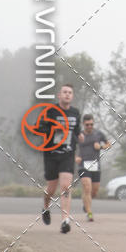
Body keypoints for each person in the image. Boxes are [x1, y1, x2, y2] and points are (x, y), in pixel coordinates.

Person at [41, 84, 82, 234]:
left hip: (67, 154)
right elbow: (40, 128)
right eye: (65, 92)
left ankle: (65, 220)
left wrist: (80, 136)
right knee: (51, 189)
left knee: (65, 186)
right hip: (51, 154)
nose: (67, 94)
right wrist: (54, 129)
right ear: (59, 95)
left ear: (72, 96)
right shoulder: (50, 111)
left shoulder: (75, 112)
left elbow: (76, 131)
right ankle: (46, 208)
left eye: (70, 92)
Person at [75, 114, 110, 221]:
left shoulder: (98, 134)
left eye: (91, 124)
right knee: (87, 188)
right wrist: (76, 157)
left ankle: (86, 204)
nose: (89, 126)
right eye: (87, 125)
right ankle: (89, 213)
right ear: (83, 124)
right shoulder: (79, 135)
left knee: (94, 192)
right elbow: (72, 147)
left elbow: (108, 144)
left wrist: (101, 146)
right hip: (83, 166)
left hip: (95, 166)